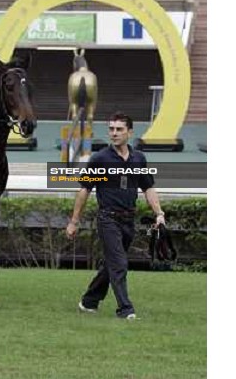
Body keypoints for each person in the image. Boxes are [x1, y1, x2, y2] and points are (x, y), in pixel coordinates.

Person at [66, 112, 166, 319]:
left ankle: (89, 301)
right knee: (119, 263)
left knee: (111, 264)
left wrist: (159, 214)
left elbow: (148, 188)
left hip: (129, 220)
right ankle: (125, 309)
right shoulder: (99, 158)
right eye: (111, 129)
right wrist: (74, 222)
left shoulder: (139, 158)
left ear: (130, 132)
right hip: (107, 219)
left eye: (119, 129)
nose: (114, 133)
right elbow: (84, 190)